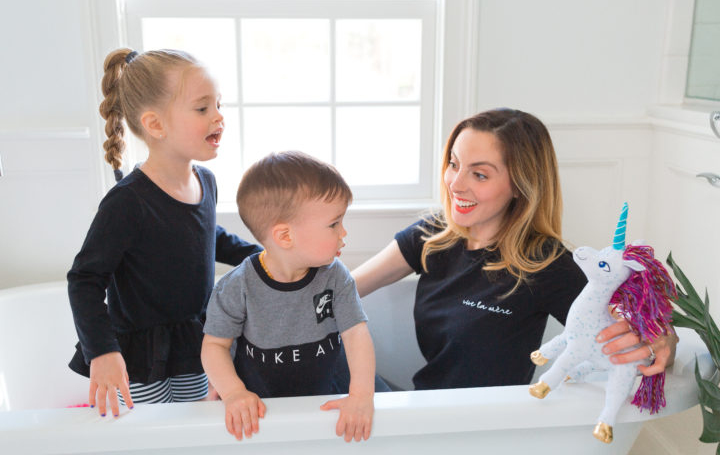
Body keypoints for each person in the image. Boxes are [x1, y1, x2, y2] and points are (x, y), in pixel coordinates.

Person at [350, 108, 677, 390]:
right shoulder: (433, 235)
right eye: (453, 163)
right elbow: (343, 290)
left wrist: (665, 337)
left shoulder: (546, 264)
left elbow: (635, 322)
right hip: (428, 407)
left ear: (521, 184)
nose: (455, 183)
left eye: (479, 174)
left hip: (493, 428)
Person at [67, 48, 260, 418]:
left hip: (193, 341)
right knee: (149, 432)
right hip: (139, 353)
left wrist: (262, 257)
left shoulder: (205, 181)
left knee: (191, 423)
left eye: (218, 105)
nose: (219, 116)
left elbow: (206, 235)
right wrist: (102, 352)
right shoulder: (127, 202)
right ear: (156, 125)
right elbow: (84, 279)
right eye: (203, 108)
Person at [201, 151, 375, 443]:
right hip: (263, 406)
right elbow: (215, 346)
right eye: (334, 224)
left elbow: (357, 335)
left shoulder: (335, 276)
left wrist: (360, 395)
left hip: (323, 401)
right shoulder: (237, 287)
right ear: (285, 237)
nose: (344, 233)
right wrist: (233, 392)